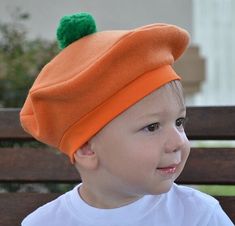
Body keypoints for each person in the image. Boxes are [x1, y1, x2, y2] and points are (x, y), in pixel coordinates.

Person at [20, 12, 233, 226]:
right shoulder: (45, 222)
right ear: (86, 148)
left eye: (179, 122)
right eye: (152, 127)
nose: (178, 141)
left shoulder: (198, 216)